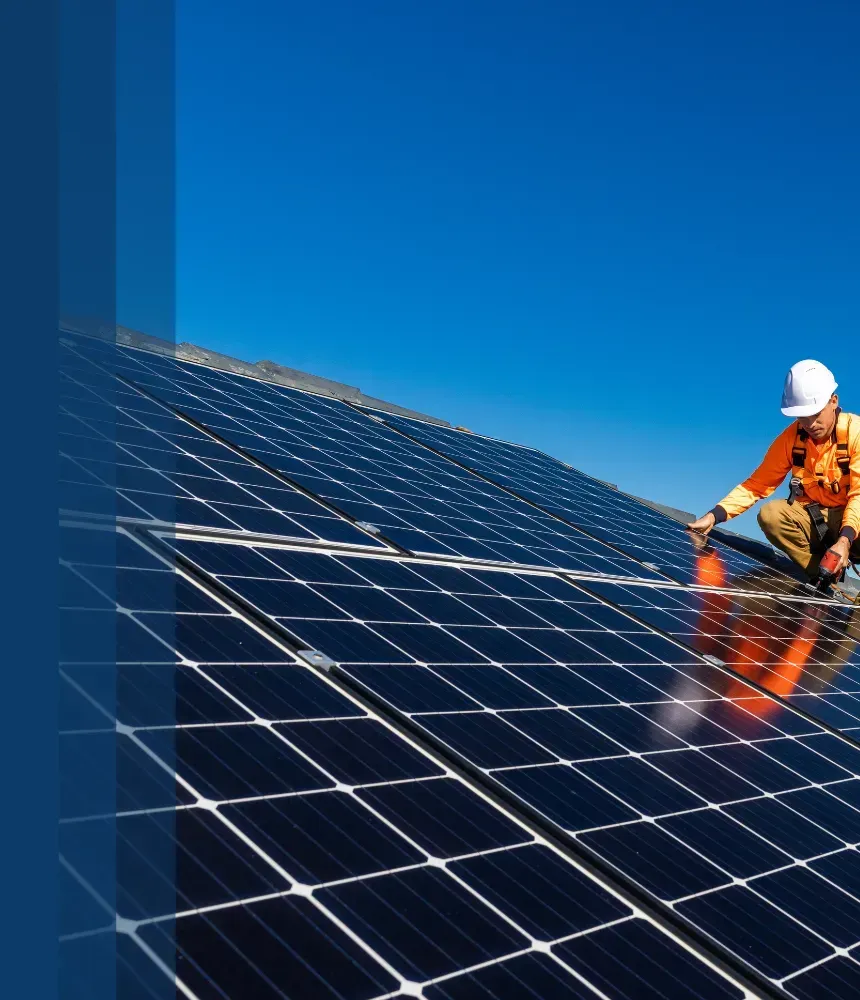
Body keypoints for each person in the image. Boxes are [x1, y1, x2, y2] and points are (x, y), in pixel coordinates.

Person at [687, 360, 860, 581]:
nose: (809, 423)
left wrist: (844, 541)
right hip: (818, 523)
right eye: (802, 416)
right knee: (771, 515)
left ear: (833, 401)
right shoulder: (792, 439)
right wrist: (713, 516)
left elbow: (858, 496)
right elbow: (756, 485)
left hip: (855, 525)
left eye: (815, 414)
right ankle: (823, 574)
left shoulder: (855, 433)